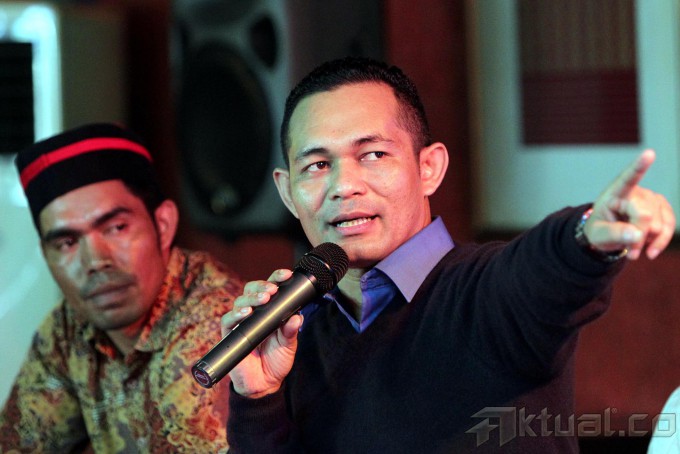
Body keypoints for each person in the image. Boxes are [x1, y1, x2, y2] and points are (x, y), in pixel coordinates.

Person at [220, 57, 676, 453]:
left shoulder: (485, 293)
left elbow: (541, 268)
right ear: (287, 192)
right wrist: (259, 400)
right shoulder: (292, 329)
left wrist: (586, 233)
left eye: (373, 154)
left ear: (429, 168)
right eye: (318, 165)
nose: (344, 186)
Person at [0, 123, 243, 452]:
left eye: (116, 228)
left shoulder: (213, 321)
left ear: (163, 225)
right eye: (67, 242)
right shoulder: (69, 328)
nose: (95, 261)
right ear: (46, 255)